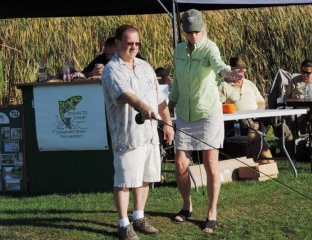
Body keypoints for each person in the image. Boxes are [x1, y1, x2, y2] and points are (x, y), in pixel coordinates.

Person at [168, 9, 243, 233]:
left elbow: (219, 66)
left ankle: (212, 212)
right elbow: (177, 81)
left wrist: (230, 74)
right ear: (184, 31)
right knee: (180, 164)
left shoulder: (210, 47)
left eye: (197, 31)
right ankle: (186, 205)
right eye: (190, 32)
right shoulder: (179, 50)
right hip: (184, 113)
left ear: (204, 29)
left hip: (208, 113)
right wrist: (170, 104)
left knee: (210, 165)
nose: (194, 36)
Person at [102, 24, 174, 240]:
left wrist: (168, 123)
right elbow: (124, 94)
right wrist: (143, 106)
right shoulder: (112, 69)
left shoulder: (145, 66)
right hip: (127, 134)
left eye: (137, 43)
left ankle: (139, 217)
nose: (133, 47)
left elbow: (160, 98)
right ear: (118, 43)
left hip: (150, 134)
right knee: (125, 179)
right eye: (129, 43)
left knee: (145, 177)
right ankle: (123, 224)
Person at [218, 57, 274, 161]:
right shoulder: (224, 85)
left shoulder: (249, 83)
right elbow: (218, 105)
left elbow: (261, 102)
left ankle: (286, 148)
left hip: (256, 117)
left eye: (244, 71)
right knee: (254, 129)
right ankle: (263, 158)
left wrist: (258, 113)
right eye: (239, 71)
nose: (242, 73)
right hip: (238, 122)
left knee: (276, 120)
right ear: (232, 71)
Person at [284, 59, 312, 135]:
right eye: (303, 72)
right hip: (299, 109)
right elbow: (286, 97)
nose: (305, 75)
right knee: (293, 118)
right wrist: (294, 98)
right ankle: (299, 142)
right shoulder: (295, 80)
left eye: (308, 73)